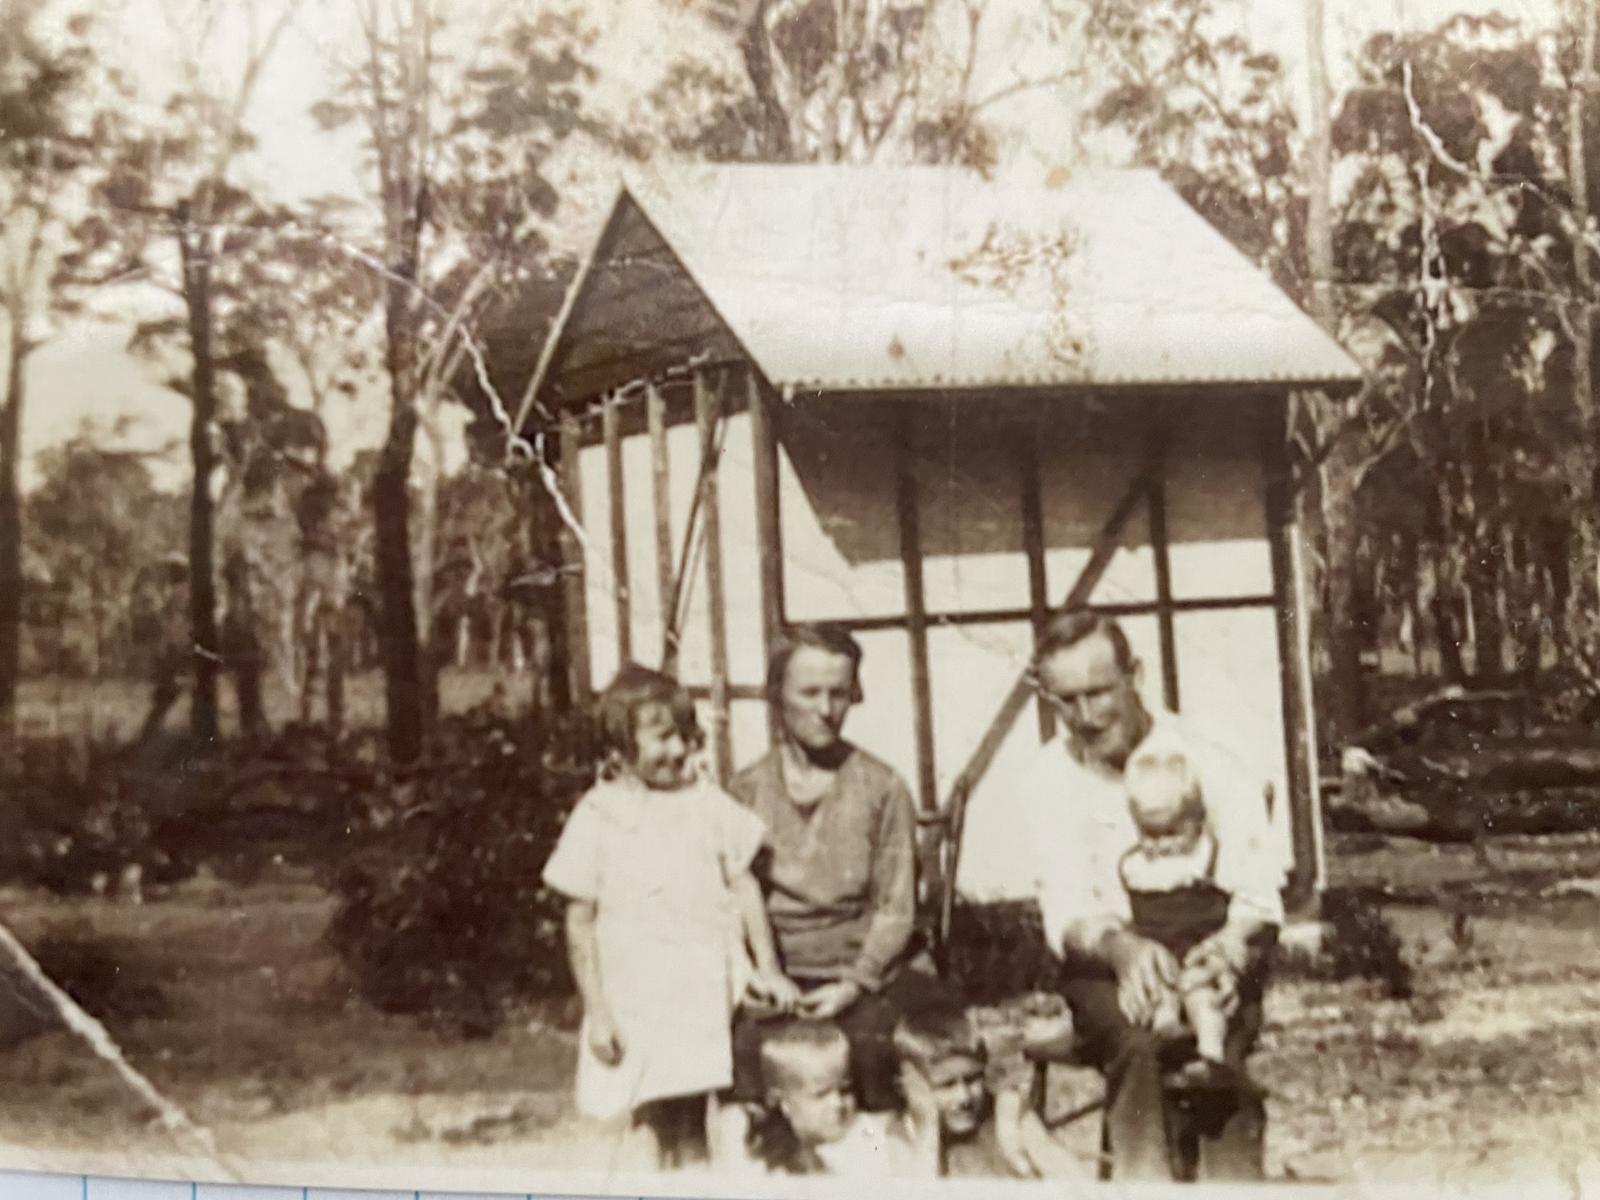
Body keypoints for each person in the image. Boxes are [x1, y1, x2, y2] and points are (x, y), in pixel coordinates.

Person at [1015, 611, 1284, 1182]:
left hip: (1213, 947)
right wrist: (1120, 948)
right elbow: (1064, 912)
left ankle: (1233, 1183)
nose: (1085, 717)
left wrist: (1231, 950)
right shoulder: (1048, 778)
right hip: (1103, 965)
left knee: (1216, 1043)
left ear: (1134, 674)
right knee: (1135, 1038)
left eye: (1099, 692)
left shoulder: (1208, 756)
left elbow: (1256, 886)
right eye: (1066, 700)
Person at [542, 664, 798, 1169]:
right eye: (662, 738)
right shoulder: (599, 815)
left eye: (685, 736)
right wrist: (598, 1011)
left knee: (696, 1119)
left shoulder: (704, 802)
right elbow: (580, 921)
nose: (679, 750)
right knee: (648, 1122)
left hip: (699, 990)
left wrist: (766, 967)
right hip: (637, 997)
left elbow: (743, 884)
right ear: (618, 746)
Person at [729, 623, 938, 1112]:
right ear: (777, 694)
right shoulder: (745, 793)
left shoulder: (882, 788)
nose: (826, 710)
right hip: (777, 979)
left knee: (866, 1048)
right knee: (742, 1053)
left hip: (865, 977)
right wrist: (763, 976)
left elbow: (896, 909)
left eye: (839, 693)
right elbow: (730, 901)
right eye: (810, 693)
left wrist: (853, 983)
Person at [1119, 729, 1275, 1089]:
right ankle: (1167, 1037)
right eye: (1149, 834)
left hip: (1200, 955)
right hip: (1158, 959)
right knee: (1157, 999)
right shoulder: (1135, 866)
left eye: (1173, 833)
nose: (1160, 845)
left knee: (1204, 1000)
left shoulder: (1208, 857)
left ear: (1198, 820)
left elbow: (1249, 903)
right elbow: (1126, 916)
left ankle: (1210, 1057)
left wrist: (1229, 940)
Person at [891, 1003, 1090, 1180]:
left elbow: (1080, 1188)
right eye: (947, 1085)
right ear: (910, 1088)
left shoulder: (1000, 1119)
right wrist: (927, 1128)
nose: (964, 1096)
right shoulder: (898, 1139)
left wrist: (1014, 1149)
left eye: (972, 1079)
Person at [744, 1020, 902, 1176]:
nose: (838, 1103)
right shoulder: (764, 1158)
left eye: (845, 1089)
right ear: (780, 1101)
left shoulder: (868, 1137)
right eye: (821, 1094)